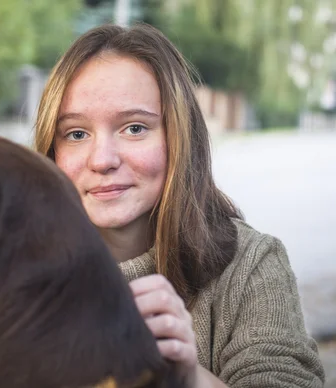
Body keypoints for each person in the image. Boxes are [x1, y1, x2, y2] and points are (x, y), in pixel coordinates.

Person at [32, 22, 325, 387]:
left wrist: (185, 375)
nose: (102, 159)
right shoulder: (10, 270)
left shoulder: (251, 265)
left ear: (180, 137)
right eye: (76, 133)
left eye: (134, 128)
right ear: (51, 150)